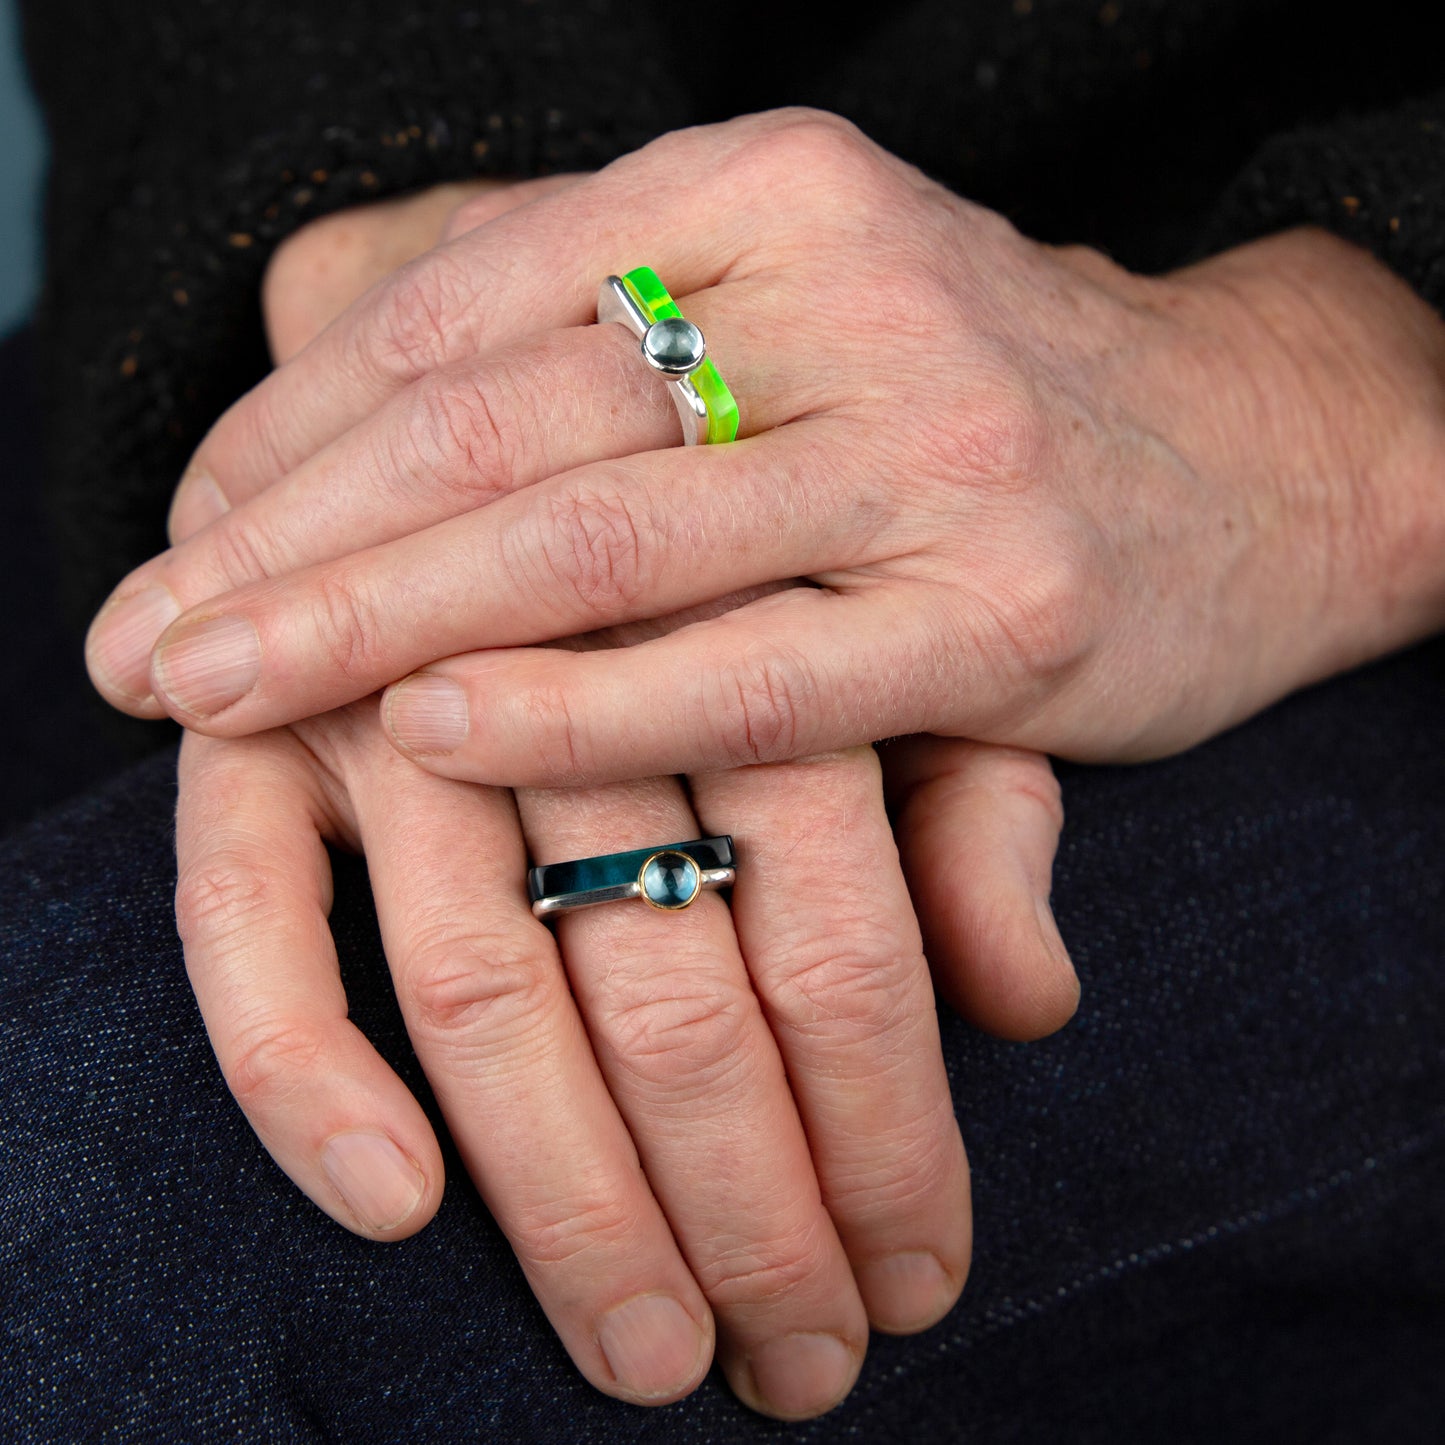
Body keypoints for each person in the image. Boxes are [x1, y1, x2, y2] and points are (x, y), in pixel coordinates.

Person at [7, 1, 1444, 1437]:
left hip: (1308, 428)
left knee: (94, 1202)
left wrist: (1322, 381)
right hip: (597, 201)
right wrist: (429, 202)